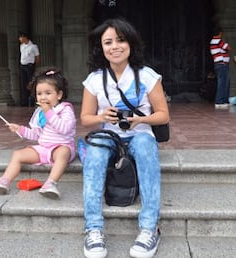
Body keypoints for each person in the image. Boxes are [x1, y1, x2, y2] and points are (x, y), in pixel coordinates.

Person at [80, 18, 170, 258]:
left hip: (140, 134)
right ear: (101, 48)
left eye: (120, 40)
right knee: (96, 153)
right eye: (108, 42)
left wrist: (140, 120)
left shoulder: (148, 76)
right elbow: (86, 119)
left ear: (130, 44)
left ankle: (150, 227)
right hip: (108, 136)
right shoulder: (94, 80)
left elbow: (163, 115)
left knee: (143, 145)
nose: (115, 46)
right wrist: (101, 115)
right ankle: (93, 229)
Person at [0, 67, 76, 199]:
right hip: (44, 148)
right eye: (39, 94)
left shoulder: (65, 110)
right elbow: (36, 134)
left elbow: (64, 129)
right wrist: (20, 129)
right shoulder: (39, 113)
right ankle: (4, 181)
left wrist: (49, 112)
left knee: (63, 152)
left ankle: (50, 184)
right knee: (18, 154)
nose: (43, 97)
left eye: (48, 93)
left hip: (61, 147)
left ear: (59, 95)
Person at [210, 26, 231, 109]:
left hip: (220, 64)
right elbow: (229, 48)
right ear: (220, 33)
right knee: (222, 83)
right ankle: (219, 101)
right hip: (222, 65)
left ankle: (224, 101)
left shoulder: (213, 41)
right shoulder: (218, 41)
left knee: (224, 82)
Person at [19, 32, 40, 106]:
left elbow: (37, 57)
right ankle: (24, 101)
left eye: (21, 37)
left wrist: (34, 67)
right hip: (23, 66)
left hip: (29, 66)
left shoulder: (33, 46)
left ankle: (32, 100)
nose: (20, 39)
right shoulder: (21, 46)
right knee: (23, 83)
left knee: (31, 83)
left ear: (25, 37)